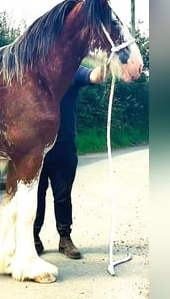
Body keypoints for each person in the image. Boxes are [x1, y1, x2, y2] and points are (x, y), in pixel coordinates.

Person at [34, 65, 106, 259]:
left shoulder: (72, 70)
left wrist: (110, 61)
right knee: (35, 195)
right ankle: (33, 237)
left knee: (63, 195)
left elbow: (94, 76)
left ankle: (65, 238)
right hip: (35, 148)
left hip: (64, 145)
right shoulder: (33, 68)